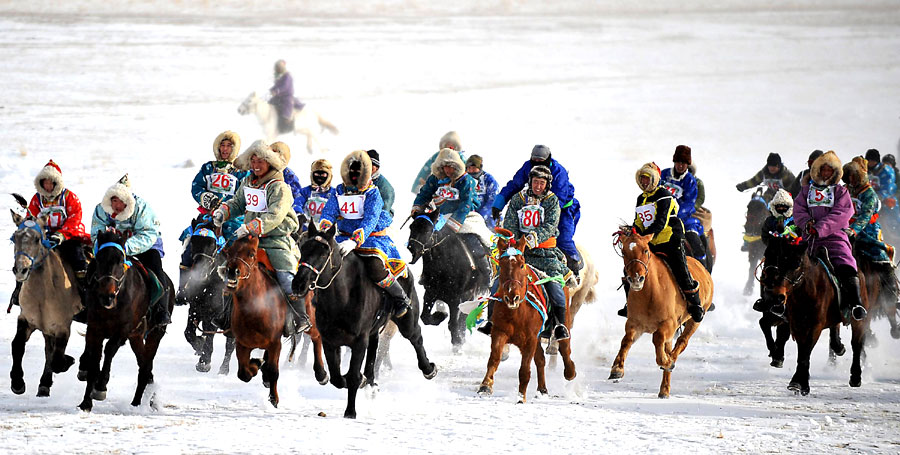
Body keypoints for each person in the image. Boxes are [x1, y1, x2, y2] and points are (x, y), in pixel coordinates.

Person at [211, 140, 310, 335]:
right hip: (250, 240)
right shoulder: (248, 181)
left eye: (260, 162)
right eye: (253, 161)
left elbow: (275, 215)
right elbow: (239, 202)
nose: (255, 165)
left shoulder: (279, 187)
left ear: (270, 163)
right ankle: (226, 316)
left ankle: (299, 317)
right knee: (231, 271)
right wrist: (223, 212)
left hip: (276, 240)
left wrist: (250, 227)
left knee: (285, 275)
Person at [318, 150, 410, 318]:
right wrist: (324, 229)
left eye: (358, 171)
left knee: (375, 267)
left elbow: (371, 219)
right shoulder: (339, 190)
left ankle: (400, 298)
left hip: (371, 238)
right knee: (324, 260)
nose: (354, 174)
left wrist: (355, 241)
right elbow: (329, 212)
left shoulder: (373, 192)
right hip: (343, 236)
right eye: (351, 170)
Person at [620, 162, 705, 322]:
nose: (644, 182)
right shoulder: (641, 198)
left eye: (647, 179)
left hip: (670, 239)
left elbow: (661, 222)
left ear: (654, 180)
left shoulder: (664, 195)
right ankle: (629, 304)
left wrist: (642, 235)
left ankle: (695, 304)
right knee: (630, 268)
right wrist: (631, 231)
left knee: (680, 270)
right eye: (642, 179)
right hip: (650, 241)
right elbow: (639, 221)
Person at [793, 151, 867, 321]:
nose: (826, 173)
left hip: (834, 238)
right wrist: (806, 223)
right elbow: (798, 210)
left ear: (835, 173)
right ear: (817, 171)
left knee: (846, 263)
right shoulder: (806, 192)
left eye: (829, 170)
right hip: (809, 239)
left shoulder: (840, 192)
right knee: (790, 263)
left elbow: (842, 213)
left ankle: (855, 303)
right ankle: (780, 304)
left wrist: (820, 227)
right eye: (823, 170)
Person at [501, 165, 572, 340]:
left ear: (547, 184)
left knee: (554, 283)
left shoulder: (552, 200)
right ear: (530, 182)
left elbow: (550, 225)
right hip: (520, 253)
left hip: (545, 253)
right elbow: (509, 222)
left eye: (541, 183)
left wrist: (531, 239)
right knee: (500, 278)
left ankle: (559, 325)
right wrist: (517, 242)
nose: (538, 186)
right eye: (535, 182)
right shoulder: (518, 199)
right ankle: (492, 320)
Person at [9, 160, 91, 308]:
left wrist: (61, 235)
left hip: (68, 235)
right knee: (24, 256)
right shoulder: (37, 199)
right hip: (45, 237)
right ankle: (19, 290)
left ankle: (83, 289)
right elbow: (32, 219)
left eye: (50, 183)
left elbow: (75, 218)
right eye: (44, 183)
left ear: (56, 183)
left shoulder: (69, 197)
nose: (47, 186)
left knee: (78, 258)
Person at [91, 174, 170, 326]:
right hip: (113, 248)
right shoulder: (101, 210)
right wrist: (105, 248)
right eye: (114, 200)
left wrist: (125, 247)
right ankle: (87, 305)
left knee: (156, 269)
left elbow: (148, 233)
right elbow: (96, 233)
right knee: (93, 269)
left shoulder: (142, 208)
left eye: (120, 201)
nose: (116, 205)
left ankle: (162, 310)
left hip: (144, 246)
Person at [493, 144, 583, 275]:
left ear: (548, 160)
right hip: (534, 205)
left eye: (541, 162)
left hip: (561, 208)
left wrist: (543, 209)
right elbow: (515, 184)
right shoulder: (528, 167)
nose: (537, 164)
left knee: (562, 239)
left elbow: (559, 198)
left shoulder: (559, 171)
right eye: (534, 161)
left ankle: (574, 265)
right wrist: (499, 202)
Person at [179, 131, 250, 291]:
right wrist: (206, 198)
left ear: (235, 149)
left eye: (229, 146)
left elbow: (244, 193)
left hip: (232, 218)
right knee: (190, 242)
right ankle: (183, 287)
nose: (225, 149)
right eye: (222, 146)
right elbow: (196, 186)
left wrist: (227, 206)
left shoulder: (241, 171)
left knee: (237, 249)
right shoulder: (208, 168)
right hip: (208, 216)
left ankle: (235, 285)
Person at [412, 148, 494, 253]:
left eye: (450, 166)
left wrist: (453, 223)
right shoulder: (435, 179)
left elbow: (466, 203)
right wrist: (417, 207)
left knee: (473, 241)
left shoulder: (466, 180)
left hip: (466, 216)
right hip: (440, 216)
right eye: (444, 166)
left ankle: (484, 266)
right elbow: (424, 193)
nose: (447, 170)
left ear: (456, 166)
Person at [843, 156, 900, 304]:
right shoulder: (844, 190)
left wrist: (853, 231)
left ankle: (892, 294)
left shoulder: (870, 195)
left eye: (855, 175)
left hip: (867, 233)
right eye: (850, 174)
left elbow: (865, 216)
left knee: (881, 258)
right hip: (844, 230)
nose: (852, 178)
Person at [754, 188, 804, 314]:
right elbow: (764, 236)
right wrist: (774, 238)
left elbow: (801, 234)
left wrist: (791, 238)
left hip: (791, 253)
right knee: (765, 274)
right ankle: (764, 300)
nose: (781, 209)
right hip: (773, 254)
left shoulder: (795, 220)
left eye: (784, 207)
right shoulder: (770, 221)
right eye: (779, 207)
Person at [659, 145, 706, 268]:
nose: (680, 165)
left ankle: (704, 269)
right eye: (678, 162)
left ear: (688, 164)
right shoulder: (663, 175)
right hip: (661, 216)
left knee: (696, 243)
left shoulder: (690, 181)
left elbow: (690, 203)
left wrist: (674, 214)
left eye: (684, 163)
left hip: (682, 219)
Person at [295, 159, 336, 230]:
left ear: (329, 176)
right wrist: (299, 214)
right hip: (306, 228)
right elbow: (297, 203)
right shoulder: (305, 191)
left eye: (323, 174)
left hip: (325, 230)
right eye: (317, 174)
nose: (319, 177)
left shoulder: (334, 193)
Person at [466, 155, 499, 230]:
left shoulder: (488, 179)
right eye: (469, 168)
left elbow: (493, 201)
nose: (471, 171)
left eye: (474, 168)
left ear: (480, 167)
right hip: (468, 217)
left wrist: (480, 216)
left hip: (487, 218)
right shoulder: (464, 179)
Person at [272, 142, 306, 214]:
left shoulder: (290, 177)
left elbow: (297, 196)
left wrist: (297, 212)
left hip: (282, 212)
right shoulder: (258, 171)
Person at [269, 60, 302, 134]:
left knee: (286, 106)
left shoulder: (287, 76)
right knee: (269, 103)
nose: (277, 69)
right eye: (277, 67)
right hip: (278, 96)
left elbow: (285, 86)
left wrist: (276, 91)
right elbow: (277, 86)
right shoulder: (279, 76)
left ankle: (287, 122)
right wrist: (272, 90)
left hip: (286, 96)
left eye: (278, 67)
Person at [367, 149, 395, 217]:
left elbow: (384, 211)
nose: (368, 168)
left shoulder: (386, 188)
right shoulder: (358, 181)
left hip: (379, 220)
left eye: (371, 165)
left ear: (376, 168)